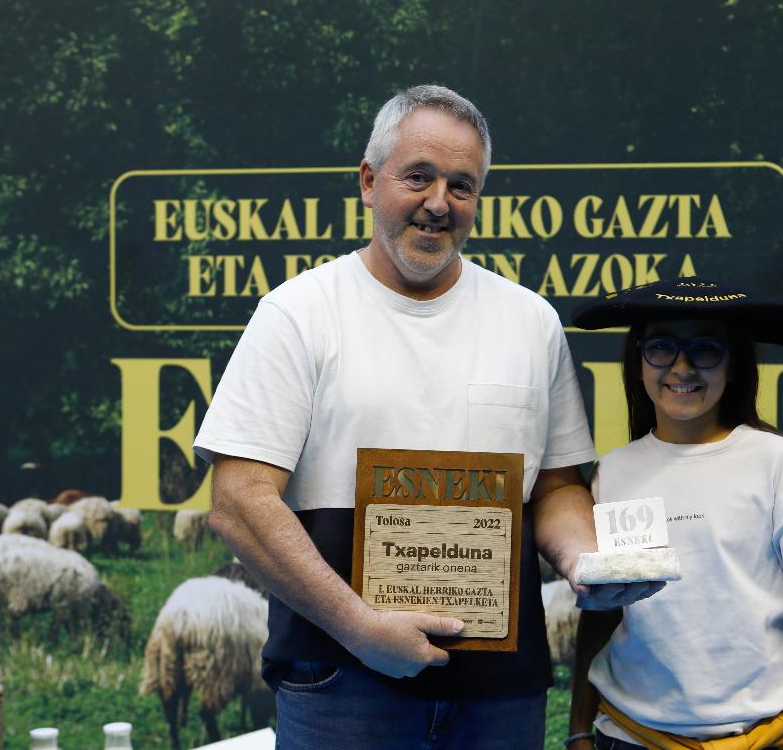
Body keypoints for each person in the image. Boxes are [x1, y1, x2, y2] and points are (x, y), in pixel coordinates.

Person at [192, 85, 661, 750]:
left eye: (462, 185)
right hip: (341, 688)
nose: (439, 202)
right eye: (419, 176)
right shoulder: (296, 315)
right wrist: (359, 628)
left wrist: (586, 563)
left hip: (500, 697)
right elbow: (237, 503)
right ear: (367, 180)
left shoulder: (530, 322)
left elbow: (556, 488)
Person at [565, 279, 783, 750]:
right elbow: (605, 611)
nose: (682, 367)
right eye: (661, 347)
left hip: (763, 737)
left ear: (733, 361)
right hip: (629, 737)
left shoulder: (778, 464)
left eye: (705, 349)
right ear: (638, 357)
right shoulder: (615, 472)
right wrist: (579, 725)